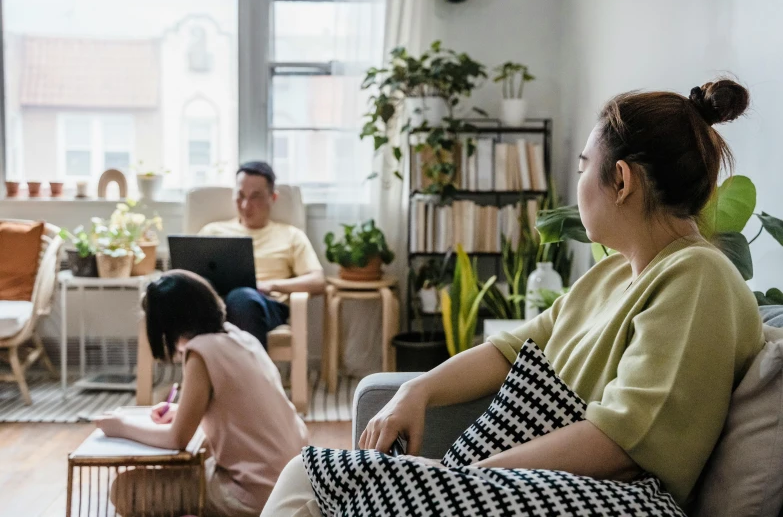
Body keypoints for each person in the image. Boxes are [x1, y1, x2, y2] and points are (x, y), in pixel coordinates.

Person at [261, 79, 764, 515]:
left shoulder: (698, 276)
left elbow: (625, 440)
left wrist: (469, 474)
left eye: (584, 167)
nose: (577, 183)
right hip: (549, 487)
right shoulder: (612, 274)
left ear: (621, 179)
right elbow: (513, 348)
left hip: (616, 499)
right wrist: (418, 391)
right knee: (318, 481)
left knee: (313, 477)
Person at [96, 270, 308, 516]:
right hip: (291, 486)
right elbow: (234, 406)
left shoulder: (200, 352)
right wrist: (181, 409)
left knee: (124, 489)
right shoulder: (242, 338)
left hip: (253, 496)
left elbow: (177, 439)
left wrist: (121, 426)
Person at [199, 161, 325, 348]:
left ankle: (247, 376)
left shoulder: (290, 235)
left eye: (255, 197)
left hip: (265, 305)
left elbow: (318, 281)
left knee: (242, 298)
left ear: (273, 197)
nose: (245, 205)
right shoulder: (213, 232)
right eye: (240, 196)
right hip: (215, 305)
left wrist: (270, 285)